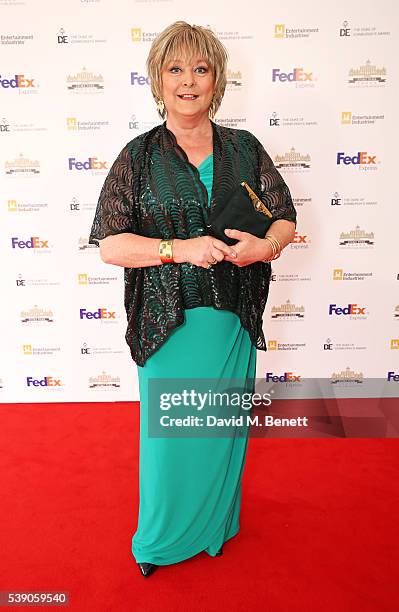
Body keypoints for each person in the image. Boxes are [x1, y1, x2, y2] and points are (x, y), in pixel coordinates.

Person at [89, 21, 297, 578]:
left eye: (200, 69)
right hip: (170, 322)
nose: (188, 81)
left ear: (217, 80)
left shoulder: (244, 148)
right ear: (158, 80)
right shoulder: (138, 156)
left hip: (231, 321)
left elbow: (284, 217)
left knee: (220, 431)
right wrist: (177, 248)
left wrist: (265, 246)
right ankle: (157, 541)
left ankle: (213, 527)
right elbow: (110, 246)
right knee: (171, 438)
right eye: (175, 69)